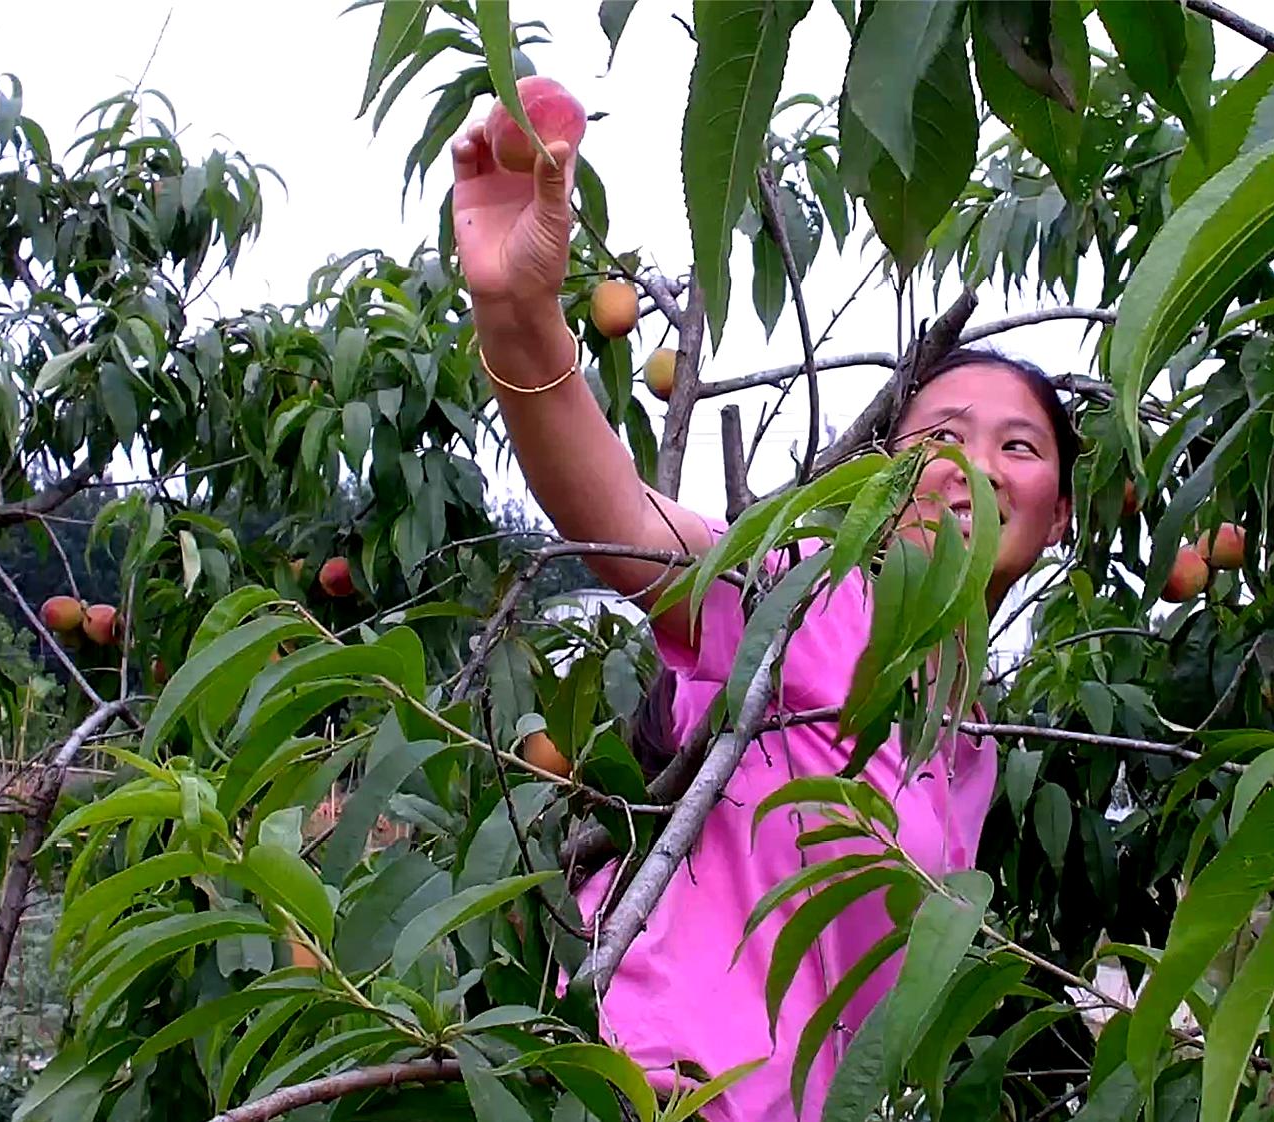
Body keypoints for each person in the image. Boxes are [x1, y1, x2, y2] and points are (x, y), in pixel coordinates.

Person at [449, 106, 1078, 1119]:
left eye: (1018, 445)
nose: (972, 464)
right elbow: (620, 522)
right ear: (882, 482)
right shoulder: (812, 597)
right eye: (941, 436)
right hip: (645, 1087)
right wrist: (517, 320)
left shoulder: (970, 750)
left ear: (1059, 515)